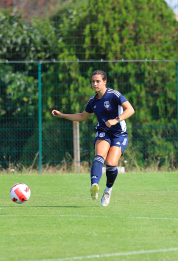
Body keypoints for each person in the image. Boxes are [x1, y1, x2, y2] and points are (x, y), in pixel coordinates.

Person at [51, 70, 135, 206]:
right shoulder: (93, 101)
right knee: (99, 157)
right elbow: (82, 116)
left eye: (98, 81)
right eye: (93, 81)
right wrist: (62, 115)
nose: (95, 84)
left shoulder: (114, 95)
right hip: (103, 132)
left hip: (119, 134)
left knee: (111, 165)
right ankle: (94, 186)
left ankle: (108, 190)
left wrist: (116, 120)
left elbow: (130, 110)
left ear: (104, 82)